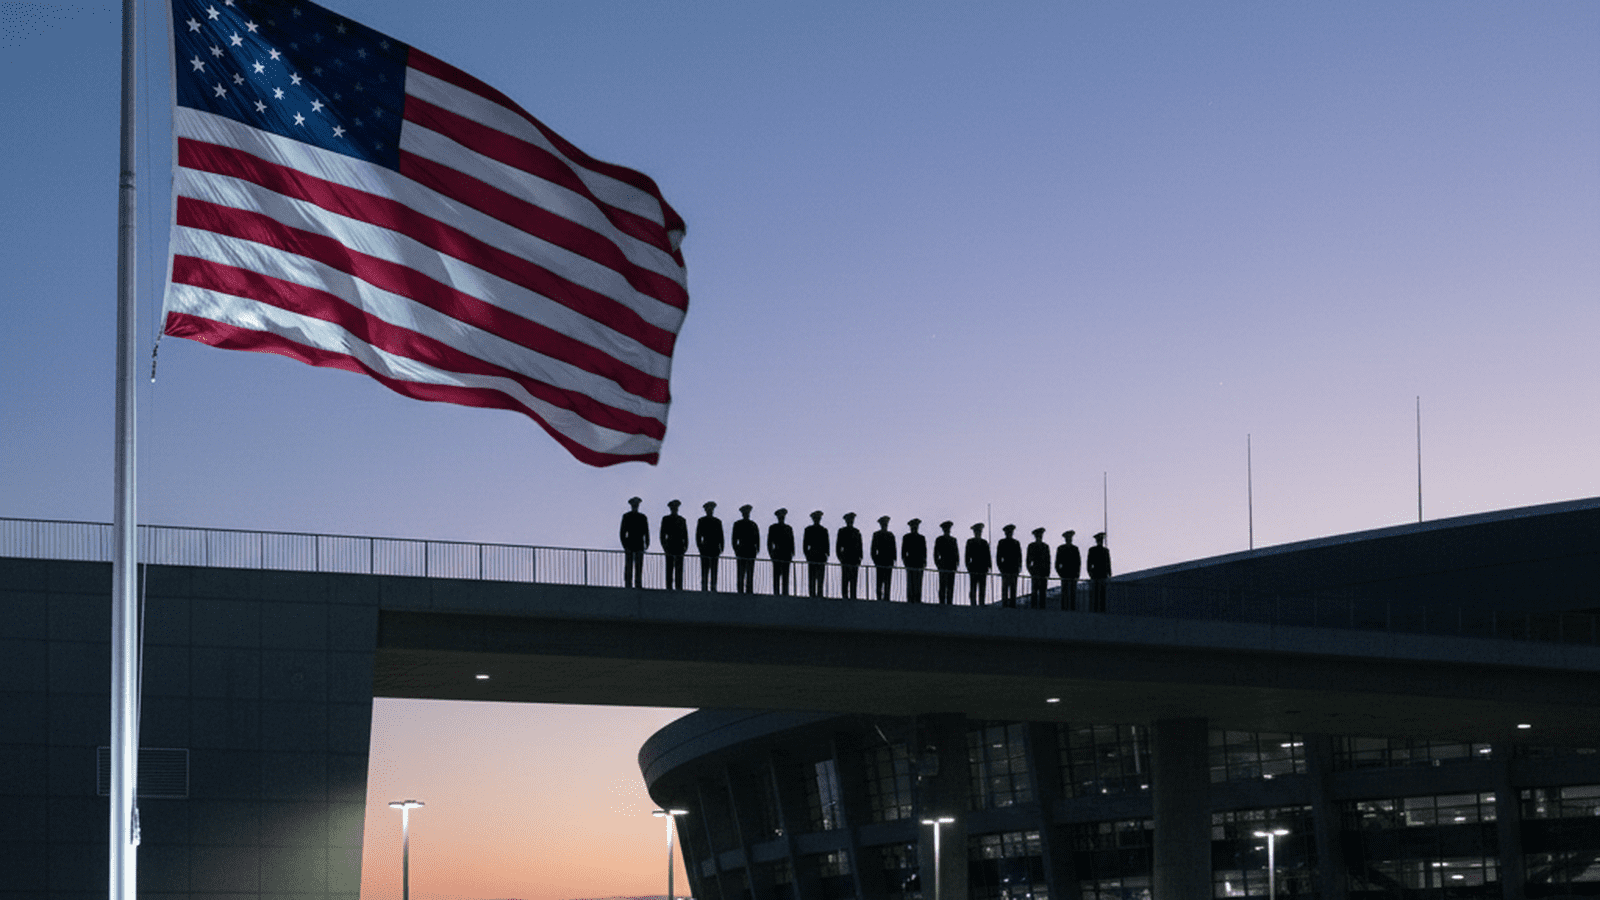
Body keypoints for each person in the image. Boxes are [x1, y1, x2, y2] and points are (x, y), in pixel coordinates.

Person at [619, 497, 649, 589]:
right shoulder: (626, 516)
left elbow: (646, 532)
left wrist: (646, 544)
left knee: (639, 566)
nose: (635, 507)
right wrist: (625, 545)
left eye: (636, 505)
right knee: (629, 566)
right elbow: (622, 532)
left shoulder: (643, 517)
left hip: (639, 544)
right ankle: (628, 584)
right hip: (630, 543)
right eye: (634, 505)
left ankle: (638, 584)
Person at [731, 504, 761, 594]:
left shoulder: (753, 524)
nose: (747, 515)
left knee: (750, 572)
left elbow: (757, 539)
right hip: (742, 550)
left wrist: (756, 549)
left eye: (747, 513)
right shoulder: (738, 524)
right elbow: (734, 539)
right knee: (741, 572)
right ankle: (740, 590)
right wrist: (736, 549)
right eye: (745, 513)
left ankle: (749, 590)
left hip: (750, 550)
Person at [695, 502, 724, 592]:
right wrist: (700, 547)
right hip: (706, 547)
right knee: (705, 569)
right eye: (708, 509)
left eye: (711, 509)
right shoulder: (701, 520)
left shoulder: (717, 521)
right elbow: (698, 535)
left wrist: (721, 547)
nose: (710, 511)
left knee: (714, 569)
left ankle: (713, 586)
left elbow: (721, 536)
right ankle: (704, 587)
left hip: (714, 547)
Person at [659, 500, 688, 591]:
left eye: (676, 508)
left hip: (679, 546)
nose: (675, 509)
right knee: (669, 567)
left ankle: (679, 586)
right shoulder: (666, 519)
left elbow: (685, 535)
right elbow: (662, 534)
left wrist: (685, 547)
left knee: (679, 568)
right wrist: (665, 546)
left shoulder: (682, 520)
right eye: (673, 508)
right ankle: (669, 586)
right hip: (670, 545)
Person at [835, 512, 863, 600]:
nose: (851, 521)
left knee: (854, 578)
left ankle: (853, 595)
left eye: (852, 520)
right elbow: (838, 545)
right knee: (845, 578)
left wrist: (860, 557)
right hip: (846, 557)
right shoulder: (842, 531)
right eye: (849, 520)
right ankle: (845, 595)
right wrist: (840, 557)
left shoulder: (856, 532)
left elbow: (860, 546)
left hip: (854, 558)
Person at [768, 508, 795, 596]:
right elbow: (769, 542)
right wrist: (771, 553)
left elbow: (791, 542)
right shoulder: (773, 528)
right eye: (780, 517)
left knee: (785, 576)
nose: (781, 519)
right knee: (776, 575)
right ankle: (776, 593)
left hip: (786, 554)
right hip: (777, 553)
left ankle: (785, 593)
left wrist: (792, 553)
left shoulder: (788, 528)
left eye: (782, 517)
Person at [803, 511, 830, 598]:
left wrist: (826, 554)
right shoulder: (808, 530)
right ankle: (812, 593)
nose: (817, 520)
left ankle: (819, 593)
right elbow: (805, 544)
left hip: (820, 555)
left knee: (820, 576)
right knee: (812, 576)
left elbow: (827, 544)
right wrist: (807, 554)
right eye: (816, 518)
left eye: (818, 518)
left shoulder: (824, 530)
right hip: (813, 554)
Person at [870, 516, 897, 601]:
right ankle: (879, 597)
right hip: (880, 561)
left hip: (888, 561)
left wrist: (893, 560)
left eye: (886, 524)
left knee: (887, 581)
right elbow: (873, 549)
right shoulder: (877, 535)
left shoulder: (891, 535)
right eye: (883, 524)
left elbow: (894, 549)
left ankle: (887, 597)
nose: (885, 526)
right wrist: (876, 560)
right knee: (880, 581)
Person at [901, 518, 927, 604]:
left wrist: (924, 562)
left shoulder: (921, 538)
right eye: (913, 526)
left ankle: (918, 598)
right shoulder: (907, 537)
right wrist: (905, 561)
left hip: (919, 562)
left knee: (918, 582)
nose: (915, 528)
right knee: (911, 582)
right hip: (911, 562)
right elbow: (903, 551)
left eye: (916, 526)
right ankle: (910, 598)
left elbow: (924, 551)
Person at [965, 523, 992, 606]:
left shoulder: (984, 542)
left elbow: (988, 555)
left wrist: (989, 566)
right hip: (974, 567)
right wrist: (968, 566)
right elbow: (967, 556)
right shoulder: (970, 542)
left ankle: (981, 603)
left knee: (982, 588)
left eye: (980, 531)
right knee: (973, 587)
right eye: (977, 531)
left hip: (983, 568)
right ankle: (973, 603)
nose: (978, 533)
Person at [996, 524, 1022, 608]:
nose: (1010, 534)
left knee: (1013, 589)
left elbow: (1019, 557)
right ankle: (1005, 604)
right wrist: (1001, 568)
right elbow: (999, 557)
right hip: (1006, 568)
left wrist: (1018, 568)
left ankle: (1012, 605)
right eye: (1008, 532)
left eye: (1011, 532)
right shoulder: (1002, 542)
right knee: (1005, 589)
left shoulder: (1016, 543)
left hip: (1013, 569)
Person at [934, 521, 959, 605]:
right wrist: (938, 564)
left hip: (951, 565)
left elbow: (956, 553)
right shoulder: (939, 539)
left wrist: (956, 564)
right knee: (942, 585)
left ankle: (949, 602)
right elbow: (936, 553)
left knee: (950, 586)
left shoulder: (953, 540)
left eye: (948, 529)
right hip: (943, 564)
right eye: (946, 529)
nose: (947, 530)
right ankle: (942, 602)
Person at [1026, 527, 1051, 610]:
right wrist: (1031, 571)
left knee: (1043, 592)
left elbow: (1048, 561)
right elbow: (1028, 560)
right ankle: (1034, 607)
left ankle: (1042, 608)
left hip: (1043, 572)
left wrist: (1047, 572)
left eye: (1040, 535)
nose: (1040, 537)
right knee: (1034, 592)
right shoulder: (1031, 546)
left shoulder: (1045, 546)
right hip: (1035, 572)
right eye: (1038, 535)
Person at [1055, 530, 1081, 611]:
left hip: (1073, 574)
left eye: (1070, 538)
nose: (1069, 539)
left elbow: (1078, 563)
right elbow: (1057, 563)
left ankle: (1072, 609)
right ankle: (1064, 609)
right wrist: (1061, 573)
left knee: (1073, 594)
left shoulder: (1075, 549)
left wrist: (1077, 574)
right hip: (1065, 574)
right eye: (1068, 538)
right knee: (1065, 593)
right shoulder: (1061, 548)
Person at [1087, 531, 1111, 612]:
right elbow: (1089, 563)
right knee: (1096, 594)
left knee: (1102, 595)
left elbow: (1108, 563)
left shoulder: (1106, 551)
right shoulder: (1092, 550)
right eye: (1099, 540)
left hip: (1103, 575)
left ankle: (1102, 610)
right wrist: (1090, 574)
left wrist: (1109, 574)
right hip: (1096, 575)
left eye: (1101, 540)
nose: (1100, 541)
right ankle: (1096, 609)